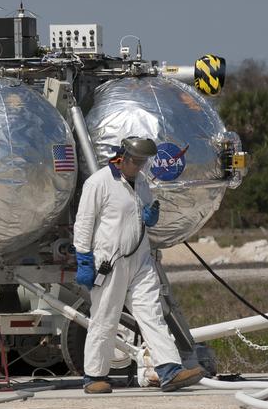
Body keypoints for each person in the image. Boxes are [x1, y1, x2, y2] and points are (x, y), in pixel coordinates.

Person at [72, 136, 205, 394]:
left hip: (140, 260)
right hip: (111, 262)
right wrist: (84, 259)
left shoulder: (142, 182)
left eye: (143, 162)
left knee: (152, 314)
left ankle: (169, 370)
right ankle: (94, 376)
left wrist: (149, 216)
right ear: (122, 157)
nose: (139, 167)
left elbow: (140, 212)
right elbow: (84, 223)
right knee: (105, 317)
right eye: (136, 161)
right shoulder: (98, 183)